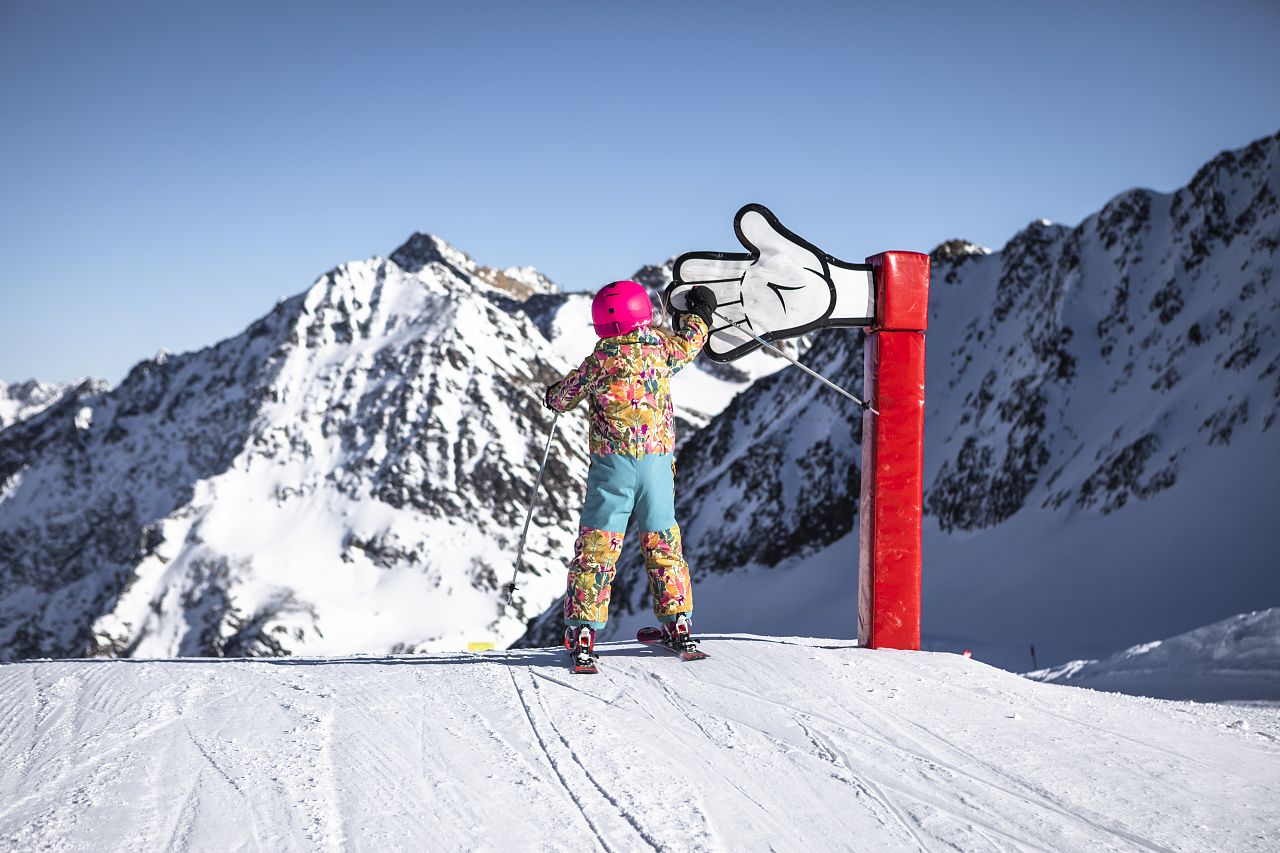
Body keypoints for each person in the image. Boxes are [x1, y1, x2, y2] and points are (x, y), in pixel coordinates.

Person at [544, 279, 717, 666]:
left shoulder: (600, 361)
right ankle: (678, 624)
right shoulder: (661, 350)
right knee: (663, 544)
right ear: (644, 314)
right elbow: (691, 340)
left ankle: (583, 629)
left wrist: (552, 395)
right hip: (657, 467)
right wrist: (701, 312)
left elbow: (563, 397)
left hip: (613, 469)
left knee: (597, 548)